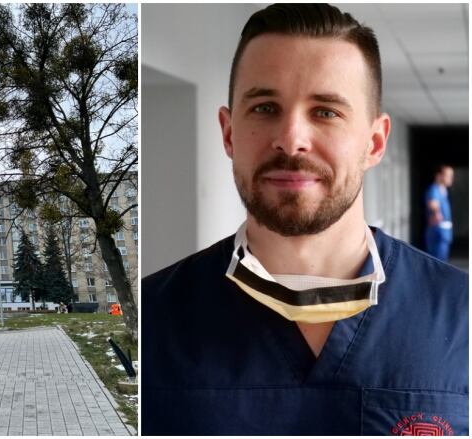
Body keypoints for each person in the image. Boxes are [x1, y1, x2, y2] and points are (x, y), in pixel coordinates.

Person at [142, 4, 468, 435]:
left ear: (373, 142)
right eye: (264, 107)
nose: (291, 140)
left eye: (326, 111)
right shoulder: (152, 321)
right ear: (228, 133)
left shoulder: (460, 316)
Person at [425, 165, 454, 261]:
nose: (451, 178)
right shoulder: (434, 189)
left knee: (442, 260)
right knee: (438, 261)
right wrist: (436, 213)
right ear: (438, 176)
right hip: (439, 230)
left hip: (444, 231)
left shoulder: (443, 190)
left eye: (451, 176)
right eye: (447, 175)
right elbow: (433, 204)